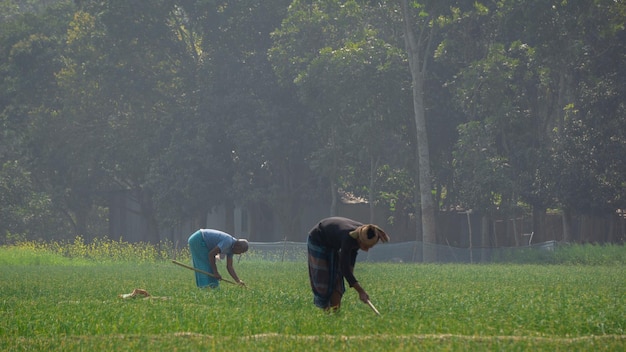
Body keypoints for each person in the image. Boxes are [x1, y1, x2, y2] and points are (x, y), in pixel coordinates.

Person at [307, 217, 390, 311]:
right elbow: (344, 267)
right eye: (366, 246)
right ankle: (327, 315)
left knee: (337, 280)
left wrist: (350, 277)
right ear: (359, 240)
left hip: (332, 243)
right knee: (324, 280)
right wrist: (360, 291)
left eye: (370, 247)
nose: (367, 250)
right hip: (318, 239)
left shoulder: (362, 232)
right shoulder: (349, 237)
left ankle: (335, 315)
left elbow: (351, 259)